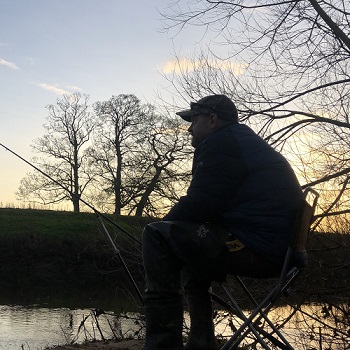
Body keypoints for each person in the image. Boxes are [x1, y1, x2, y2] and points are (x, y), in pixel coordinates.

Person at [141, 94, 303, 350]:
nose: (189, 127)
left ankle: (162, 346)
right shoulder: (240, 141)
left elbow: (201, 203)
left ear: (213, 120)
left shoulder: (222, 143)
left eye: (194, 119)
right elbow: (213, 206)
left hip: (259, 248)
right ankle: (201, 343)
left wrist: (162, 227)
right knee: (188, 250)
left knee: (156, 235)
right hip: (277, 249)